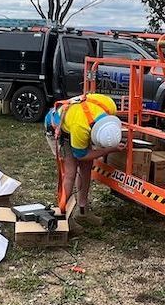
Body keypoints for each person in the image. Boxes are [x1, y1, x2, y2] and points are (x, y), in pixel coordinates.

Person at [44, 92, 123, 225]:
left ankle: (82, 211)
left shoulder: (109, 106)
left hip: (77, 120)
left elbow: (87, 156)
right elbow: (81, 155)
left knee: (86, 166)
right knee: (70, 172)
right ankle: (63, 217)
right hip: (59, 129)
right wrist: (108, 150)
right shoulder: (80, 127)